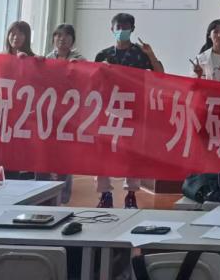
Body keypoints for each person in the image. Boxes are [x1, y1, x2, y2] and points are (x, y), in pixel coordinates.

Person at [93, 12, 164, 208]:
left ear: (132, 29)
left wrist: (151, 54)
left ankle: (131, 194)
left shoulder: (141, 53)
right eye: (118, 27)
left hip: (134, 109)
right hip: (109, 109)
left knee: (132, 152)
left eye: (126, 27)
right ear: (112, 29)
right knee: (102, 151)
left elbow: (160, 74)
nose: (122, 31)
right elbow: (93, 81)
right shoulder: (103, 55)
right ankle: (105, 193)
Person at [42, 23, 82, 204]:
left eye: (66, 36)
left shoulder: (80, 60)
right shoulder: (46, 59)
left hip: (69, 115)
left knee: (65, 155)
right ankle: (44, 194)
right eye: (58, 35)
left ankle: (63, 196)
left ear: (72, 40)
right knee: (46, 153)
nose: (62, 39)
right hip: (48, 114)